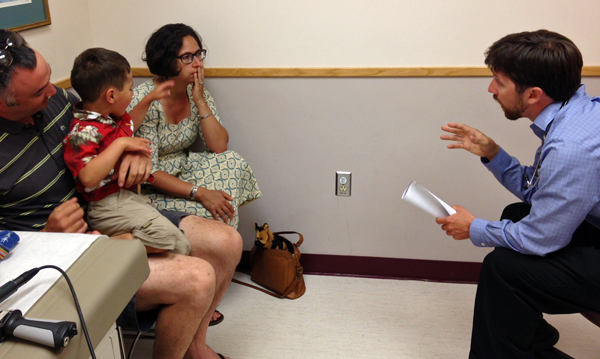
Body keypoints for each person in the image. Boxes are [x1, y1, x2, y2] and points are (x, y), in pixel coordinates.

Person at [0, 29, 239, 359]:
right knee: (197, 278)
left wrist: (133, 154)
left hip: (110, 206)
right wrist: (46, 237)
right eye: (40, 91)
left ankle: (194, 347)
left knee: (227, 242)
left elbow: (106, 132)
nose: (55, 91)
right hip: (62, 256)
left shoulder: (59, 101)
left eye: (51, 80)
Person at [437, 30, 600, 359]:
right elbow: (542, 191)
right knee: (516, 213)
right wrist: (493, 153)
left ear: (533, 94)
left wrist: (474, 228)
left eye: (499, 81)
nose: (491, 89)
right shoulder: (577, 114)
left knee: (501, 269)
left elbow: (541, 238)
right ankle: (527, 338)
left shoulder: (571, 147)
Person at [128, 23, 261, 229]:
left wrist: (199, 100)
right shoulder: (145, 100)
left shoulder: (196, 92)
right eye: (188, 57)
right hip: (155, 184)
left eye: (199, 54)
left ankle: (223, 246)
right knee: (210, 212)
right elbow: (150, 173)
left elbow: (219, 147)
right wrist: (200, 193)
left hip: (185, 167)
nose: (198, 63)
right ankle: (220, 244)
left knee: (232, 161)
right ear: (167, 60)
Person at [64, 47, 190, 255]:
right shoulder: (83, 131)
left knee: (182, 244)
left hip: (126, 197)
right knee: (165, 237)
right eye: (130, 89)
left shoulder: (109, 118)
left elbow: (131, 122)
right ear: (111, 95)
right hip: (105, 206)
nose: (133, 94)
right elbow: (87, 177)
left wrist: (149, 99)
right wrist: (121, 145)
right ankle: (104, 244)